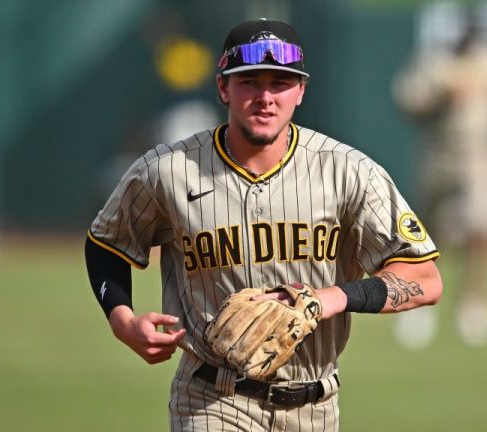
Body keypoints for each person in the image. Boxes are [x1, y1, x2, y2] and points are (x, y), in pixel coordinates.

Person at [85, 18, 442, 431]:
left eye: (281, 83)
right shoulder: (167, 171)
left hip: (316, 406)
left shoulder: (350, 173)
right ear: (224, 88)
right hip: (211, 400)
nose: (266, 97)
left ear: (301, 91)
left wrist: (331, 298)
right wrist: (122, 319)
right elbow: (106, 243)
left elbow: (425, 278)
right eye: (250, 82)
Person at [391, 14, 487, 347]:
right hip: (440, 152)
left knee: (483, 226)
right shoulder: (433, 64)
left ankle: (476, 303)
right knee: (429, 232)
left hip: (480, 153)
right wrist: (441, 95)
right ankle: (421, 301)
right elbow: (408, 101)